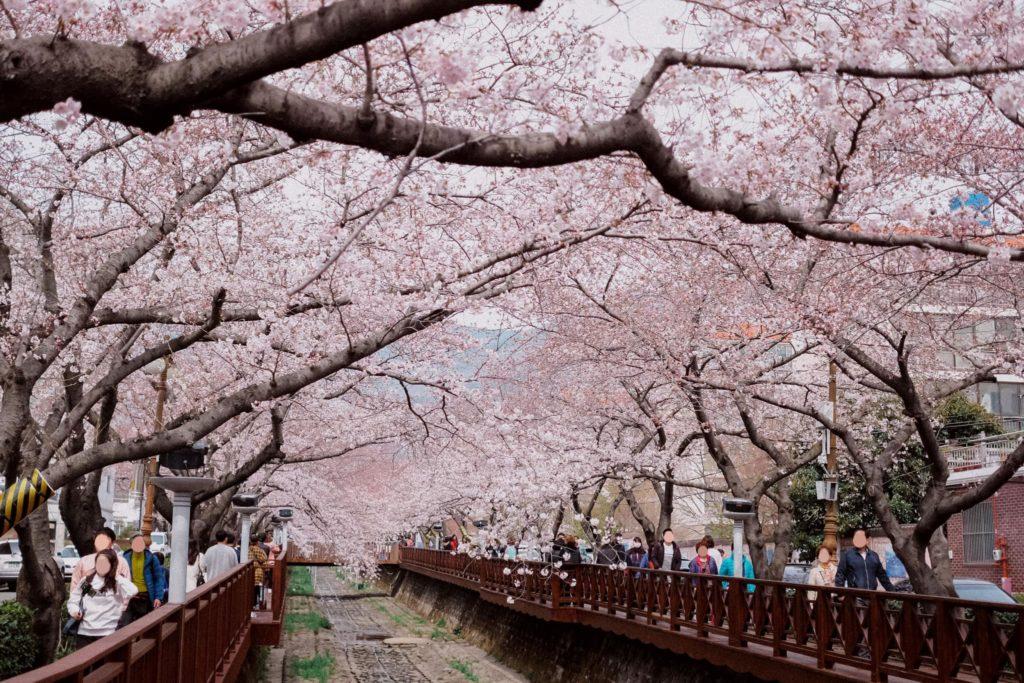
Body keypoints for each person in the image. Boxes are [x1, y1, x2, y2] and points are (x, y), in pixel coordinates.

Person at [67, 548, 138, 649]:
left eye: (105, 563)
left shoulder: (117, 583)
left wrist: (116, 576)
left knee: (103, 665)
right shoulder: (88, 581)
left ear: (112, 565)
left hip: (108, 633)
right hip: (85, 633)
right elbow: (74, 600)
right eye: (99, 562)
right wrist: (75, 611)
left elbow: (133, 591)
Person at [122, 534, 166, 624]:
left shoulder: (152, 559)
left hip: (145, 597)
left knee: (143, 626)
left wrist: (158, 597)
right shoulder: (125, 558)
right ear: (131, 544)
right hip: (130, 598)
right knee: (125, 626)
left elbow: (159, 579)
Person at [71, 527, 129, 593]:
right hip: (88, 602)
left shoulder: (121, 562)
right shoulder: (84, 561)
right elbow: (76, 584)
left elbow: (126, 588)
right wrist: (93, 595)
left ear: (112, 543)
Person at [248, 533, 269, 608]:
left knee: (251, 589)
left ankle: (251, 604)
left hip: (249, 572)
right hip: (258, 571)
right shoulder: (259, 550)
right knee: (257, 589)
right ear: (257, 542)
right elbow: (263, 559)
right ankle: (256, 604)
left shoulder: (247, 549)